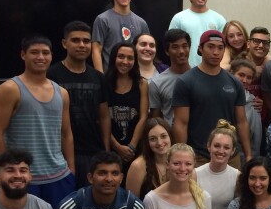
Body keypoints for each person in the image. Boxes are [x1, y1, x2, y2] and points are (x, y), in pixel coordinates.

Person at [0, 34, 75, 209]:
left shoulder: (62, 93)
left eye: (45, 53)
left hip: (59, 176)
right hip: (24, 178)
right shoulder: (10, 89)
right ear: (23, 55)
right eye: (34, 52)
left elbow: (66, 133)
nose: (41, 57)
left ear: (52, 56)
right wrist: (5, 172)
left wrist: (71, 170)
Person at [172, 29, 253, 164]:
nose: (216, 52)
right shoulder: (185, 82)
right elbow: (181, 123)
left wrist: (249, 154)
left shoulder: (234, 83)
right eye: (211, 47)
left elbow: (241, 122)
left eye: (220, 48)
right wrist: (182, 156)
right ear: (200, 49)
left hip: (230, 156)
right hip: (198, 156)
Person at [48, 21, 111, 188]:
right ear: (64, 43)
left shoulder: (98, 77)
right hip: (59, 153)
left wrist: (105, 150)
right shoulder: (51, 75)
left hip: (93, 151)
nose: (81, 45)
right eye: (75, 40)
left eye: (86, 41)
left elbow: (104, 116)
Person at [91, 0, 150, 73]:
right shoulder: (102, 19)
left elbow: (146, 51)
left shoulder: (141, 22)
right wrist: (100, 78)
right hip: (110, 76)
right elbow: (96, 50)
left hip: (134, 77)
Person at [105, 42, 148, 171]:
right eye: (121, 56)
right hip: (110, 148)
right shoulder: (104, 82)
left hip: (135, 149)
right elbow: (101, 118)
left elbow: (144, 117)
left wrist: (132, 147)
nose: (125, 61)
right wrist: (117, 147)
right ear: (114, 58)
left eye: (130, 58)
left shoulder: (142, 83)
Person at [168, 0, 226, 67]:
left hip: (211, 67)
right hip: (185, 68)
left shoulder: (219, 19)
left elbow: (224, 46)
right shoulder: (179, 18)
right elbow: (171, 44)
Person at [148, 28, 191, 126]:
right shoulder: (157, 82)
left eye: (185, 46)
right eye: (175, 47)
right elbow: (156, 121)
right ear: (167, 51)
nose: (181, 51)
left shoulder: (200, 76)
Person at [126, 117, 172, 200]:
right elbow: (131, 204)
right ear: (147, 142)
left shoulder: (179, 162)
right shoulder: (138, 166)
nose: (159, 142)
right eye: (153, 139)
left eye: (163, 136)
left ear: (170, 137)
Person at [230, 58, 263, 158]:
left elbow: (256, 137)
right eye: (241, 75)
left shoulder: (254, 103)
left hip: (244, 157)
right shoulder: (221, 97)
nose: (244, 80)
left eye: (249, 77)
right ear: (231, 74)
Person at [246, 27, 271, 123]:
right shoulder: (238, 65)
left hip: (263, 122)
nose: (261, 45)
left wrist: (265, 104)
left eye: (265, 43)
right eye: (257, 41)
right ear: (248, 44)